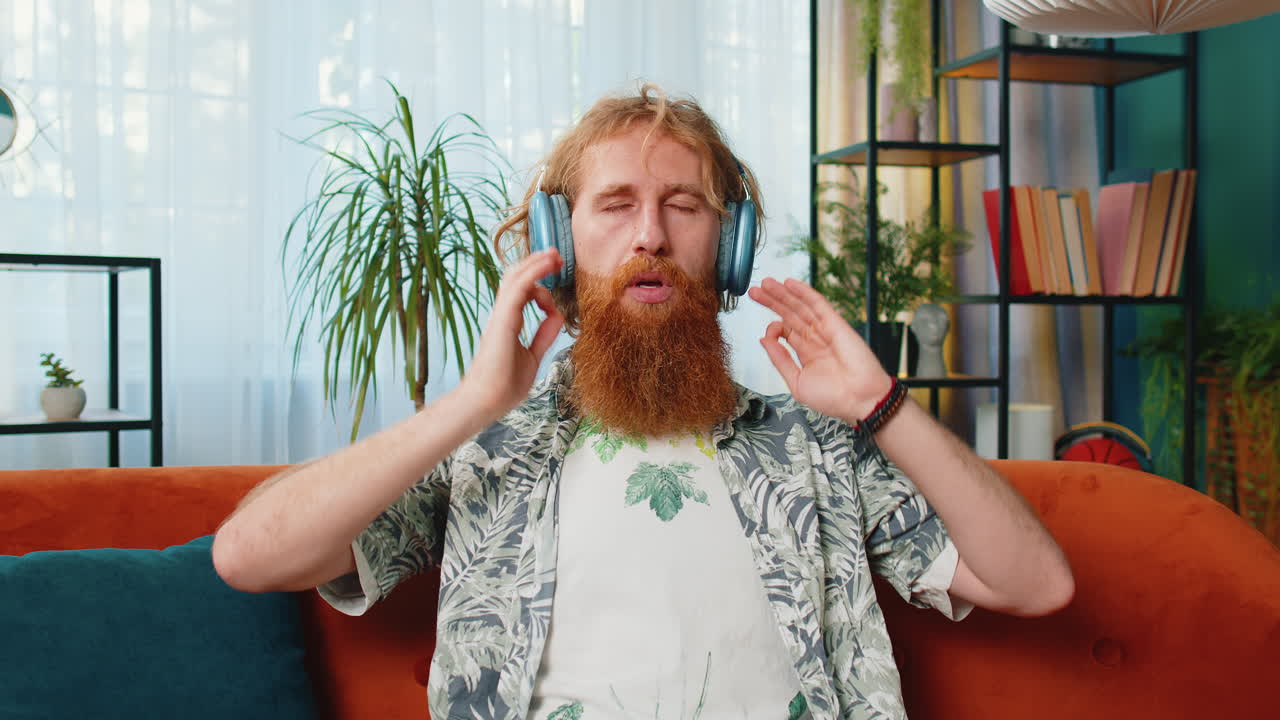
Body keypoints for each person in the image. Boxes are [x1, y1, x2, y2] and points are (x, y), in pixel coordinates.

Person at [212, 85, 1073, 720]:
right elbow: (248, 556)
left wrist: (882, 403)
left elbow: (1036, 586)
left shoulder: (818, 450)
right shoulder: (491, 449)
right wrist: (472, 404)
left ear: (728, 248)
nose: (650, 235)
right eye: (616, 205)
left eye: (683, 207)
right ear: (559, 241)